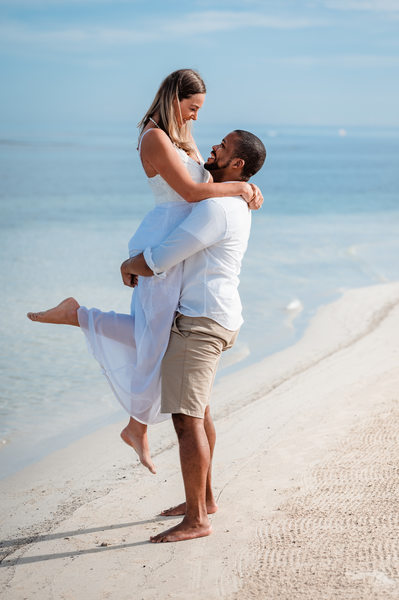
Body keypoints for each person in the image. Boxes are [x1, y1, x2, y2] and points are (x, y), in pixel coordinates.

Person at [27, 69, 263, 475]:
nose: (195, 119)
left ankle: (77, 316)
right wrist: (239, 188)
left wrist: (242, 184)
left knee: (151, 331)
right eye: (192, 108)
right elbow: (191, 193)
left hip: (179, 241)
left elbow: (206, 178)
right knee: (153, 337)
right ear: (175, 99)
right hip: (162, 240)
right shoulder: (154, 137)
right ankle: (136, 426)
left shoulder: (181, 138)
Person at [120, 129, 266, 542]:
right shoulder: (230, 201)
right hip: (217, 315)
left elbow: (163, 257)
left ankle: (197, 519)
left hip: (200, 322)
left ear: (237, 164)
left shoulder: (216, 210)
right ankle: (203, 501)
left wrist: (129, 265)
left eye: (224, 147)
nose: (214, 147)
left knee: (186, 420)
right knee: (199, 411)